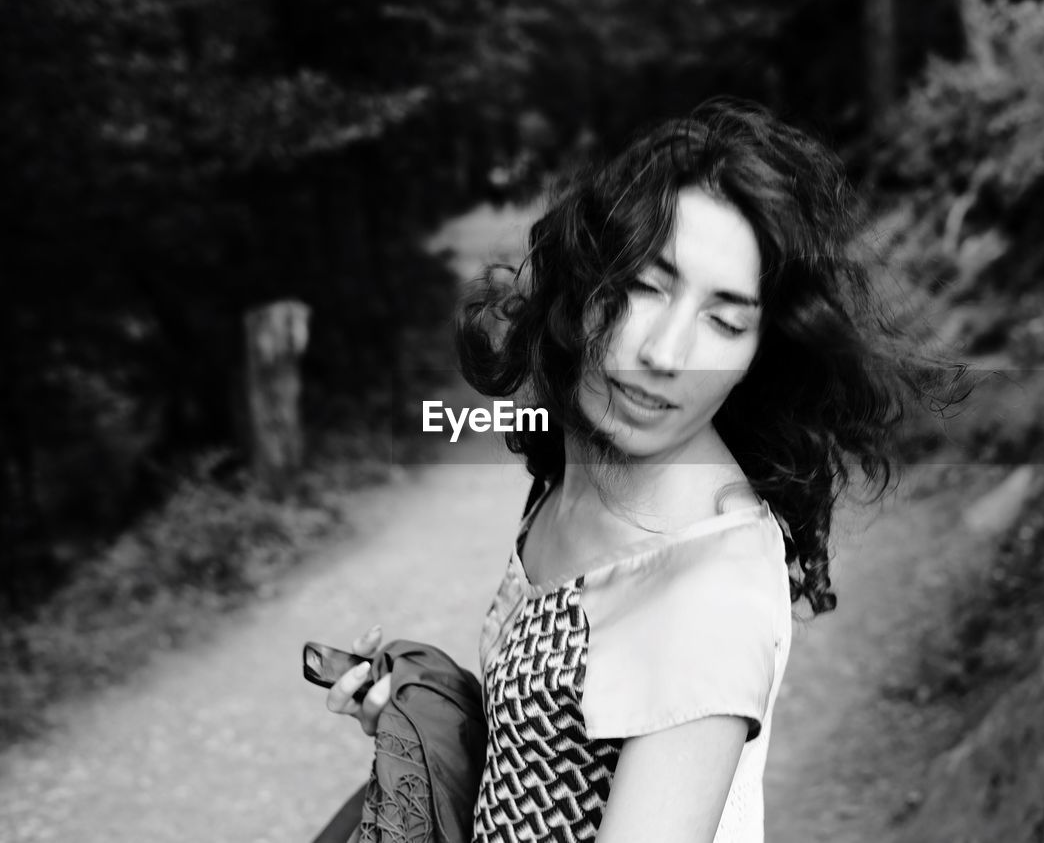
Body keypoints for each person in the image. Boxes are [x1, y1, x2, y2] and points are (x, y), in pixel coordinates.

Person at [326, 99, 949, 842]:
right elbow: (551, 746)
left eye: (723, 319)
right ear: (586, 279)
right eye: (647, 287)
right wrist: (427, 712)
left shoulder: (703, 592)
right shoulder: (577, 450)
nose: (665, 352)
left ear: (759, 353)